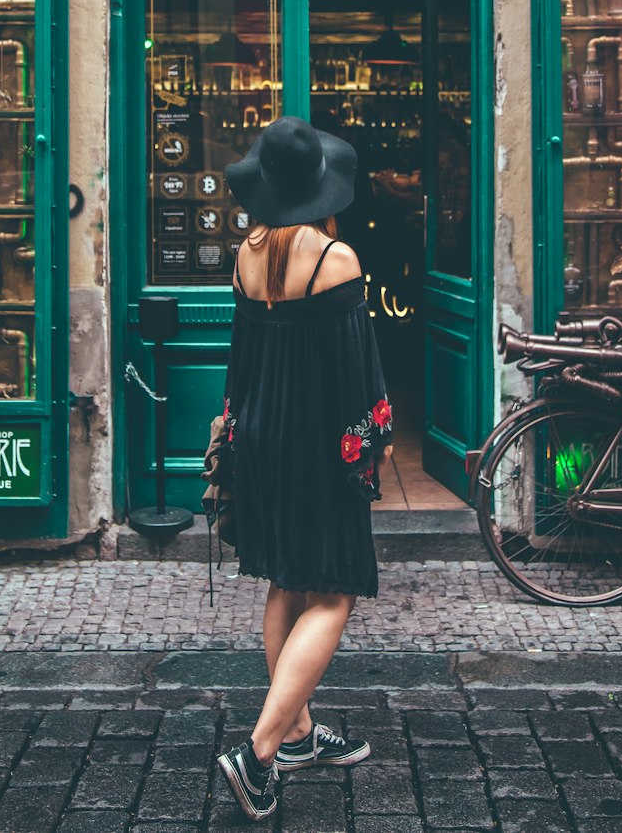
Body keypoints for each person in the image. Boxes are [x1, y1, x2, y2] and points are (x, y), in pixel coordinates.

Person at [214, 115, 394, 822]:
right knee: (335, 589)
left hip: (261, 434)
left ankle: (297, 732)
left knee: (288, 579)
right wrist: (372, 442)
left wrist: (236, 429)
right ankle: (258, 753)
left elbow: (242, 357)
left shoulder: (244, 256)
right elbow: (358, 373)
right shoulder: (334, 260)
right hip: (320, 445)